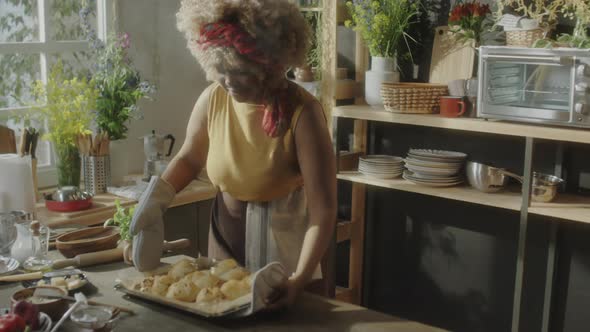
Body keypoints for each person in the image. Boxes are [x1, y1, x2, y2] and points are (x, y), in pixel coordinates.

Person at [129, 0, 336, 310]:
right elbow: (189, 159)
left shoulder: (303, 114)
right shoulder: (213, 98)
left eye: (238, 72)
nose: (227, 81)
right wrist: (157, 198)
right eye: (220, 69)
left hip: (288, 259)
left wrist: (299, 280)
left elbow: (324, 211)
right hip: (224, 252)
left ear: (269, 65)